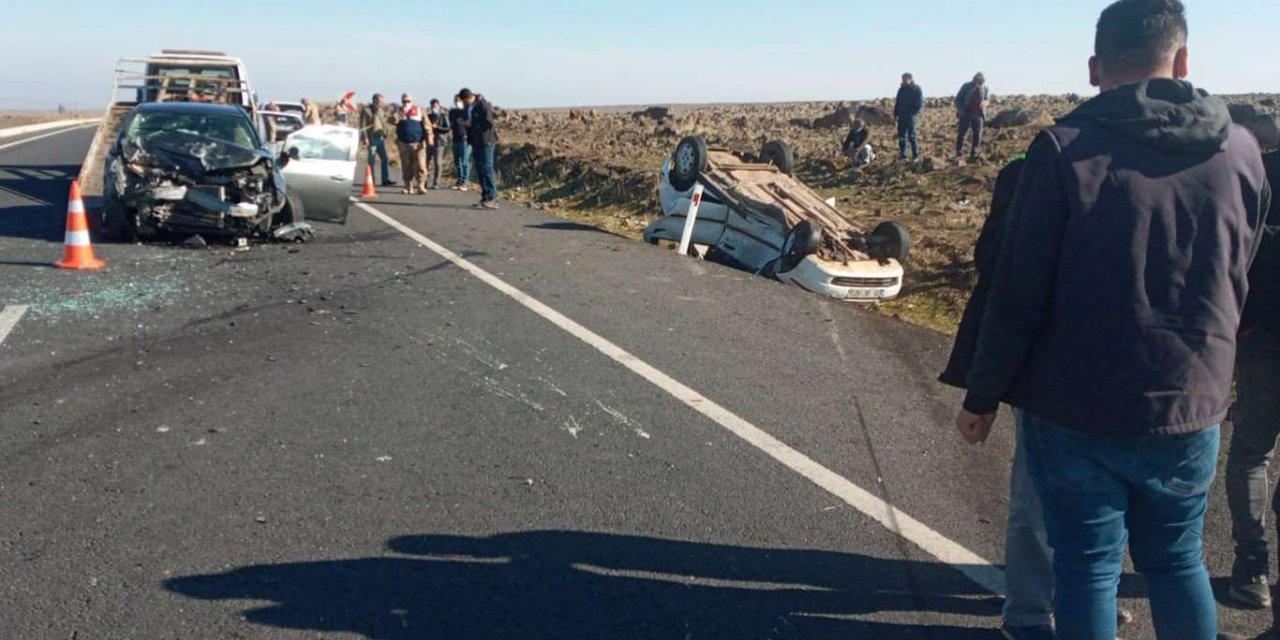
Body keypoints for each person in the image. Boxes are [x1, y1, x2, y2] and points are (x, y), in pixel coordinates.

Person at [955, 1, 1270, 639]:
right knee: (1178, 561)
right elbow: (1243, 264)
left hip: (1076, 406)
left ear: (1096, 68)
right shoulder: (1240, 149)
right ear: (1183, 60)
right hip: (1190, 399)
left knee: (1088, 568)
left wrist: (982, 394)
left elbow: (1018, 289)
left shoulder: (1063, 150)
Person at [1224, 147, 1280, 613]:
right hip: (1260, 333)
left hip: (1261, 333)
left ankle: (1253, 565)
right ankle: (1254, 565)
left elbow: (1230, 249)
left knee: (1251, 450)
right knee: (1251, 450)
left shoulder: (1258, 168)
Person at [460, 88, 499, 209]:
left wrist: (472, 123)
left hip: (486, 141)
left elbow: (488, 123)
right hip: (476, 141)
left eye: (464, 101)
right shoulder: (469, 107)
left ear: (468, 97)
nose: (463, 103)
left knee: (487, 168)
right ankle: (485, 196)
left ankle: (492, 197)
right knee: (480, 168)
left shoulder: (483, 105)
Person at [395, 93, 433, 195]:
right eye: (404, 101)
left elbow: (427, 124)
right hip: (404, 143)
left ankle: (421, 185)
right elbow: (391, 121)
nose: (406, 103)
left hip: (418, 142)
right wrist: (399, 115)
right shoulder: (398, 111)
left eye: (408, 101)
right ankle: (408, 187)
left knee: (421, 165)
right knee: (406, 165)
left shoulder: (419, 110)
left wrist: (429, 136)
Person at [360, 94, 395, 187]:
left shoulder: (380, 110)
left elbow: (384, 122)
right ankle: (371, 180)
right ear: (375, 100)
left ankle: (385, 180)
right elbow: (362, 126)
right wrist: (365, 138)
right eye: (380, 100)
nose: (382, 102)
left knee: (384, 158)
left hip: (380, 138)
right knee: (372, 160)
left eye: (382, 100)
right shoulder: (366, 110)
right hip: (372, 138)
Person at [954, 73, 989, 161]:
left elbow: (987, 100)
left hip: (979, 115)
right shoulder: (966, 87)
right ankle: (959, 151)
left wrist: (984, 103)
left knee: (977, 135)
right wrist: (961, 111)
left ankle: (974, 153)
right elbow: (958, 99)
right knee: (962, 134)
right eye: (978, 82)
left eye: (981, 83)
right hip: (966, 114)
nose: (979, 85)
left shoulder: (985, 88)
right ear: (974, 80)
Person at [894, 73, 924, 161]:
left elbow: (919, 103)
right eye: (902, 79)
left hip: (911, 117)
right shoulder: (901, 90)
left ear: (910, 79)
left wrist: (912, 114)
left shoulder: (917, 89)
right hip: (901, 116)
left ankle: (916, 155)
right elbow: (897, 102)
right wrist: (895, 114)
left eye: (904, 79)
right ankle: (904, 155)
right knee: (902, 137)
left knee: (912, 136)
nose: (903, 81)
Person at [448, 95, 472, 191]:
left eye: (459, 100)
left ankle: (465, 181)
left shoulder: (467, 111)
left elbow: (471, 124)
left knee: (465, 160)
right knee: (457, 161)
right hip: (455, 138)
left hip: (465, 139)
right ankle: (460, 180)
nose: (457, 102)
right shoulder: (453, 112)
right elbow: (451, 124)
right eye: (456, 100)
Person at [427, 99, 451, 190]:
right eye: (432, 106)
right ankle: (423, 181)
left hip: (439, 142)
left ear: (439, 106)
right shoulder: (428, 116)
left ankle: (436, 182)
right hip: (429, 141)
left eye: (435, 105)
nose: (434, 107)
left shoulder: (443, 116)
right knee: (425, 162)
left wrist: (438, 127)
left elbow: (447, 128)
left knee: (438, 163)